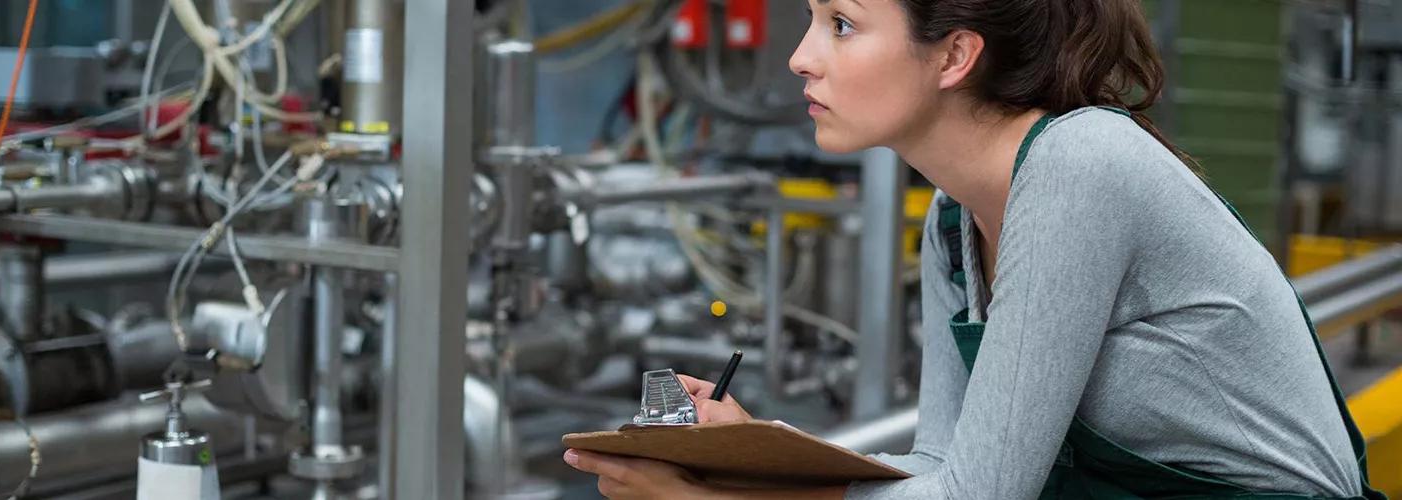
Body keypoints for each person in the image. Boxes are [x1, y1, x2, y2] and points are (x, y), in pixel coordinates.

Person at [563, 0, 1388, 498]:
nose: (800, 56)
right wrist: (751, 450)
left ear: (955, 54)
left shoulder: (1080, 165)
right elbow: (944, 462)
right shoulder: (956, 221)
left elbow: (981, 495)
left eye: (842, 25)